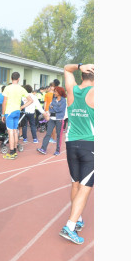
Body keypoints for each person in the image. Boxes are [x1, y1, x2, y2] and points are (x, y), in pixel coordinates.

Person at [59, 63, 94, 245]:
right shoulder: (95, 92)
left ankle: (77, 218)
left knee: (76, 183)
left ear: (82, 76)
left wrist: (80, 65)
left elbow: (66, 68)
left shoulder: (72, 89)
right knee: (86, 187)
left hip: (71, 143)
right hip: (90, 145)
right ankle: (70, 226)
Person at [1, 72, 32, 159]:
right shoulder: (21, 88)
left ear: (11, 78)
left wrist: (3, 114)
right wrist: (21, 107)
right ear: (18, 79)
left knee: (10, 132)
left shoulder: (7, 88)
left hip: (9, 112)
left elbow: (4, 102)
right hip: (17, 111)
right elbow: (30, 100)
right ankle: (14, 151)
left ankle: (11, 153)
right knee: (15, 131)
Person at [37, 86, 67, 156]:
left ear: (59, 92)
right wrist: (54, 107)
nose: (54, 93)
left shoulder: (63, 100)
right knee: (48, 134)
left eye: (55, 91)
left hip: (59, 119)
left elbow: (61, 109)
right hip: (52, 119)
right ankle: (43, 149)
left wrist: (53, 107)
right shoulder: (53, 99)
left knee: (59, 135)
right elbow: (50, 109)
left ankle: (57, 150)